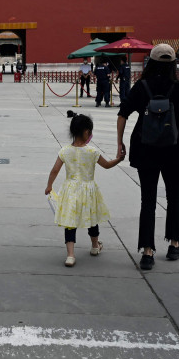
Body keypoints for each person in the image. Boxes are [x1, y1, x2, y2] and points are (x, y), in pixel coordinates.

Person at [116, 44, 179, 270]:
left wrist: (119, 143)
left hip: (145, 149)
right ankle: (174, 244)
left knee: (148, 200)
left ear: (150, 63)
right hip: (172, 150)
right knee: (174, 197)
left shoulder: (141, 87)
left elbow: (122, 113)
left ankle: (148, 252)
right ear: (173, 64)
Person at [45, 111, 124, 267]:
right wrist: (118, 159)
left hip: (70, 189)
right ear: (87, 132)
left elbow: (54, 170)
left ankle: (70, 255)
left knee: (70, 222)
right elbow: (107, 165)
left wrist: (49, 186)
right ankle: (95, 246)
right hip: (88, 189)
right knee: (92, 218)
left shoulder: (65, 151)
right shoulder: (92, 151)